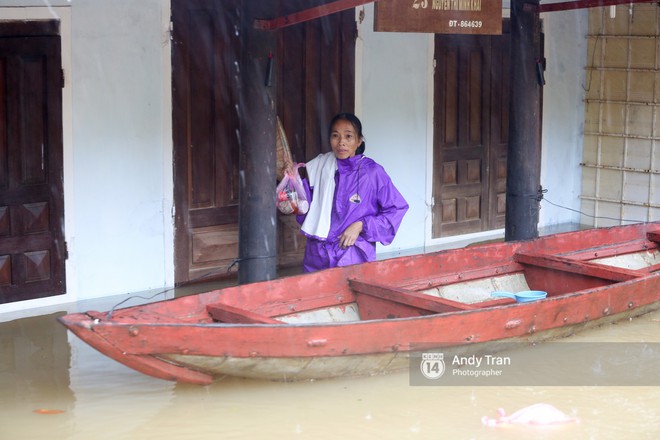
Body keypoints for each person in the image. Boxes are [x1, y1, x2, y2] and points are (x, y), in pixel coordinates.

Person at [285, 113, 408, 272]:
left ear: (359, 141)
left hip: (352, 255)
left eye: (348, 136)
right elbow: (303, 209)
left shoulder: (372, 173)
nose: (341, 142)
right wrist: (291, 181)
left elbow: (396, 209)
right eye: (335, 136)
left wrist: (361, 225)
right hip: (317, 255)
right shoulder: (319, 168)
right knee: (317, 295)